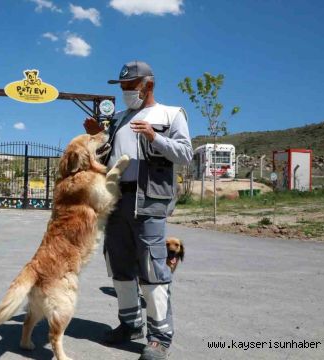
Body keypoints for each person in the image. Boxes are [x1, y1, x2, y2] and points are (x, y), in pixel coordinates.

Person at [84, 61, 192, 360]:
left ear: (149, 85)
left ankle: (159, 337)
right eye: (122, 87)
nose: (126, 91)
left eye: (130, 86)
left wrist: (155, 137)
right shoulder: (118, 119)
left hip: (149, 200)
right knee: (119, 264)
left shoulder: (171, 114)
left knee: (152, 267)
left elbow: (185, 154)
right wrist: (97, 138)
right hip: (117, 200)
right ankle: (129, 324)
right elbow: (108, 157)